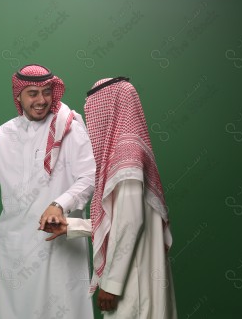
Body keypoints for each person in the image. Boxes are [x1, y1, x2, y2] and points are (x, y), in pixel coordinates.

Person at [0, 64, 96, 318]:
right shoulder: (3, 134)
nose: (41, 100)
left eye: (46, 92)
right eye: (33, 93)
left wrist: (60, 204)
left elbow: (89, 177)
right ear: (19, 96)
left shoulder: (70, 129)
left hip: (59, 242)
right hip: (15, 246)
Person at [41, 77, 177, 318]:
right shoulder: (132, 152)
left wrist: (111, 285)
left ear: (111, 108)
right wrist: (71, 225)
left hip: (131, 281)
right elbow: (121, 219)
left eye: (94, 110)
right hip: (139, 272)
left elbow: (129, 223)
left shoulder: (126, 159)